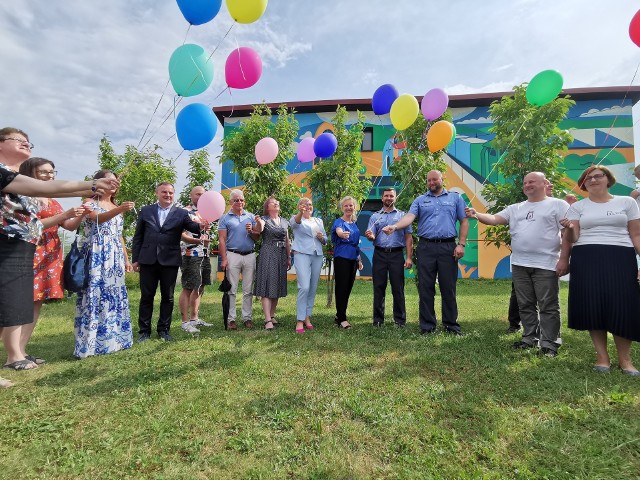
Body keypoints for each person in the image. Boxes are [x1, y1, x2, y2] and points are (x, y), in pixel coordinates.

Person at [0, 126, 118, 382]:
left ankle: (16, 354)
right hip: (5, 245)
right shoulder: (3, 175)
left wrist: (92, 189)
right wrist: (93, 184)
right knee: (6, 303)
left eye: (29, 142)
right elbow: (49, 189)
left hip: (23, 246)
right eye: (19, 140)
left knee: (16, 304)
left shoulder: (15, 179)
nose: (26, 145)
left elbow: (53, 192)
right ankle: (14, 354)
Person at [465, 172, 570, 357]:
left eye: (532, 182)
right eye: (525, 182)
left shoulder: (558, 204)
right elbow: (495, 219)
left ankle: (550, 344)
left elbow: (567, 234)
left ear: (545, 183)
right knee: (526, 304)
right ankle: (530, 338)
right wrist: (477, 214)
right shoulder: (516, 208)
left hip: (546, 263)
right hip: (520, 263)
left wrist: (564, 259)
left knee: (548, 305)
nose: (527, 185)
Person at [561, 166, 640, 375]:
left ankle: (625, 360)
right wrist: (568, 229)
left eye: (598, 176)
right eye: (589, 178)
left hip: (621, 257)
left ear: (608, 179)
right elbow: (571, 239)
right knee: (593, 305)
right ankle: (602, 357)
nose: (593, 180)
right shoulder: (577, 207)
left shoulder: (627, 202)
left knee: (623, 306)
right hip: (586, 257)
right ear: (583, 184)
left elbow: (637, 235)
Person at [18, 157, 90, 364]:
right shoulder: (22, 197)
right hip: (29, 251)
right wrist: (64, 215)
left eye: (52, 172)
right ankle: (15, 351)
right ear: (30, 173)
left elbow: (67, 225)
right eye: (44, 172)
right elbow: (28, 225)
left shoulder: (52, 199)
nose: (49, 175)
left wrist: (81, 212)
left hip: (50, 253)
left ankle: (21, 351)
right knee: (18, 301)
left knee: (36, 302)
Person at [383, 170, 468, 335]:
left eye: (434, 179)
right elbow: (409, 217)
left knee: (448, 287)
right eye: (428, 180)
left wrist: (462, 244)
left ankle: (451, 325)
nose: (431, 183)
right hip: (426, 248)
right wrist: (395, 226)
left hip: (448, 247)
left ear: (442, 179)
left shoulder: (455, 198)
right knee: (426, 287)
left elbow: (464, 221)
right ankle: (427, 326)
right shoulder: (420, 200)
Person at [74, 170, 136, 358]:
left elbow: (119, 235)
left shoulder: (115, 205)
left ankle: (114, 339)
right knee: (96, 292)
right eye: (109, 180)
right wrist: (120, 210)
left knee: (113, 293)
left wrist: (126, 259)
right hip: (97, 252)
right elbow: (96, 218)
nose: (113, 184)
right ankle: (91, 342)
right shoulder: (89, 203)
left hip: (114, 253)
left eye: (115, 181)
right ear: (98, 182)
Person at [132, 182, 204, 342]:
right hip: (148, 260)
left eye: (171, 193)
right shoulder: (146, 211)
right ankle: (144, 332)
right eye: (164, 192)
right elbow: (138, 237)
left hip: (169, 261)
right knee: (146, 297)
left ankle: (164, 330)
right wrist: (135, 259)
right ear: (157, 193)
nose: (168, 195)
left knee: (168, 297)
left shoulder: (180, 213)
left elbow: (193, 227)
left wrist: (203, 224)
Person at [364, 188, 413, 327]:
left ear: (395, 198)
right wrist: (370, 236)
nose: (389, 198)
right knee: (379, 287)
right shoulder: (375, 216)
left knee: (398, 287)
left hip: (397, 254)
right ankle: (378, 320)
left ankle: (400, 320)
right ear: (382, 198)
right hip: (379, 254)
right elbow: (372, 236)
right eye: (386, 196)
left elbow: (409, 238)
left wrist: (409, 257)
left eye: (391, 196)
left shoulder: (403, 216)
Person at [218, 189, 263, 330]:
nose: (239, 202)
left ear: (244, 201)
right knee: (231, 289)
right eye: (236, 200)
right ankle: (231, 319)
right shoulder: (225, 218)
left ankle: (247, 318)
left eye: (241, 200)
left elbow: (257, 237)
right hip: (233, 255)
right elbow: (222, 239)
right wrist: (224, 259)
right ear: (230, 202)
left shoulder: (250, 216)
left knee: (248, 289)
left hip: (249, 255)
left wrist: (252, 231)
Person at [178, 186, 213, 334]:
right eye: (198, 194)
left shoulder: (206, 213)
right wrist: (197, 241)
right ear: (191, 195)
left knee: (200, 286)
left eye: (203, 194)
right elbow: (181, 234)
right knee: (188, 287)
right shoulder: (184, 212)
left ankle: (194, 318)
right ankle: (184, 321)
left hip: (204, 253)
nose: (201, 197)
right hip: (190, 253)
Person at [254, 197, 291, 331]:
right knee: (267, 284)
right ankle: (267, 319)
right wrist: (258, 222)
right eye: (272, 202)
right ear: (267, 207)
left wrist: (289, 256)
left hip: (281, 254)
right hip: (268, 252)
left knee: (277, 285)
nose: (276, 203)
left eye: (277, 202)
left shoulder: (284, 221)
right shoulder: (264, 219)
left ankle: (272, 315)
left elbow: (287, 240)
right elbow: (259, 230)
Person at [291, 197, 327, 333]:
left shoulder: (318, 221)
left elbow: (325, 239)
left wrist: (321, 238)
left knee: (312, 287)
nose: (308, 206)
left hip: (317, 255)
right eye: (305, 204)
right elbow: (296, 223)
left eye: (310, 204)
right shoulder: (295, 218)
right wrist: (300, 212)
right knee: (304, 287)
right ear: (300, 206)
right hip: (302, 254)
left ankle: (307, 317)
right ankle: (299, 320)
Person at [331, 196, 363, 329]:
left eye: (351, 205)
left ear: (354, 208)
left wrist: (359, 259)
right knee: (341, 287)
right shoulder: (339, 222)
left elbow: (356, 244)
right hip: (342, 258)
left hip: (353, 259)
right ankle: (342, 318)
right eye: (346, 206)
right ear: (342, 208)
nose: (349, 208)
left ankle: (339, 315)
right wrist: (342, 234)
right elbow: (339, 231)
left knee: (348, 288)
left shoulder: (354, 224)